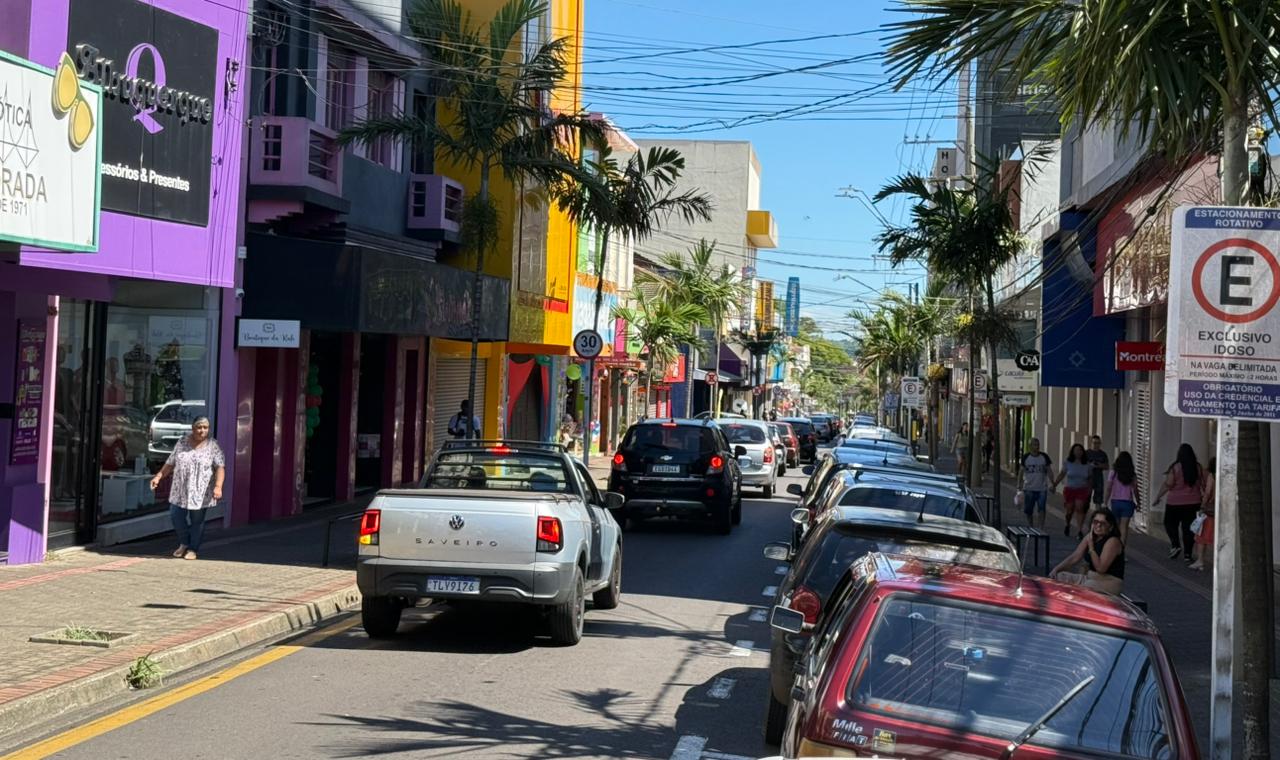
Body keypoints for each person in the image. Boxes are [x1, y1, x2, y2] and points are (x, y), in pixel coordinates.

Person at [149, 416, 224, 561]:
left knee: (197, 521)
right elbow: (170, 463)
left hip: (201, 491)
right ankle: (184, 542)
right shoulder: (182, 442)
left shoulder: (213, 445)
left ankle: (192, 548)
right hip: (180, 489)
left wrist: (218, 486)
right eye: (199, 427)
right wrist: (158, 476)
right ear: (193, 428)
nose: (202, 430)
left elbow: (220, 467)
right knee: (176, 515)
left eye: (205, 427)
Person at [1051, 507, 1126, 595]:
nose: (1098, 525)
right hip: (1091, 578)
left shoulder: (1113, 541)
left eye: (1102, 523)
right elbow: (1075, 557)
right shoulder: (1090, 537)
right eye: (1095, 522)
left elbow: (1101, 568)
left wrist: (1091, 548)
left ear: (1110, 527)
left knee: (1086, 587)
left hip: (1108, 581)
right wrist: (1056, 569)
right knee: (1060, 577)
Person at [1153, 443, 1205, 563]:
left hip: (1175, 502)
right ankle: (1188, 554)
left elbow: (1168, 484)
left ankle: (1175, 544)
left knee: (1169, 524)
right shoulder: (1197, 467)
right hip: (1193, 502)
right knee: (1189, 529)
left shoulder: (1175, 467)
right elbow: (1202, 483)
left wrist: (1158, 497)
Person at [1053, 443, 1092, 539]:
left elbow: (1090, 478)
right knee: (1069, 510)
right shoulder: (1068, 463)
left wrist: (1090, 490)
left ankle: (1079, 530)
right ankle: (1067, 524)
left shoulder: (1087, 465)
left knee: (1080, 508)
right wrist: (1054, 484)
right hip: (1070, 489)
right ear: (1073, 452)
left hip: (1082, 489)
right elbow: (1062, 474)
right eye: (1076, 450)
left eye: (1080, 450)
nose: (1078, 452)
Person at [1101, 451, 1141, 543]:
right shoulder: (1132, 475)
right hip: (1128, 503)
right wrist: (1139, 503)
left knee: (1115, 526)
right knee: (1124, 528)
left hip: (1115, 502)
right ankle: (1121, 549)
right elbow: (1135, 490)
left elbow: (1108, 488)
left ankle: (1114, 547)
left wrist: (1105, 502)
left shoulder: (1113, 473)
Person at [1018, 437, 1056, 529]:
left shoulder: (1044, 457)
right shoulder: (1026, 457)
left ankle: (1040, 527)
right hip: (1029, 488)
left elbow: (1049, 471)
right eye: (1034, 445)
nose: (1037, 447)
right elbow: (1021, 472)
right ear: (1030, 446)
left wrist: (1053, 483)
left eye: (1038, 444)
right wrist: (1018, 484)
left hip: (1041, 488)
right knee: (1028, 510)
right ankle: (1031, 526)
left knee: (1042, 508)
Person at [1190, 457, 1216, 571]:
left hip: (1210, 510)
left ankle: (1200, 560)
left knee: (1201, 536)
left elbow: (1208, 492)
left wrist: (1202, 506)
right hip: (1222, 510)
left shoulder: (1212, 476)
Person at [1086, 435, 1110, 511]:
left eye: (1098, 443)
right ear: (1091, 443)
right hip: (1088, 478)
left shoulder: (1103, 454)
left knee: (1098, 499)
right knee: (1086, 498)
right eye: (1094, 443)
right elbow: (1082, 465)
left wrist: (1098, 465)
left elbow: (1107, 466)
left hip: (1098, 477)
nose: (1096, 445)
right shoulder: (1087, 453)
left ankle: (1097, 513)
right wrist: (1090, 465)